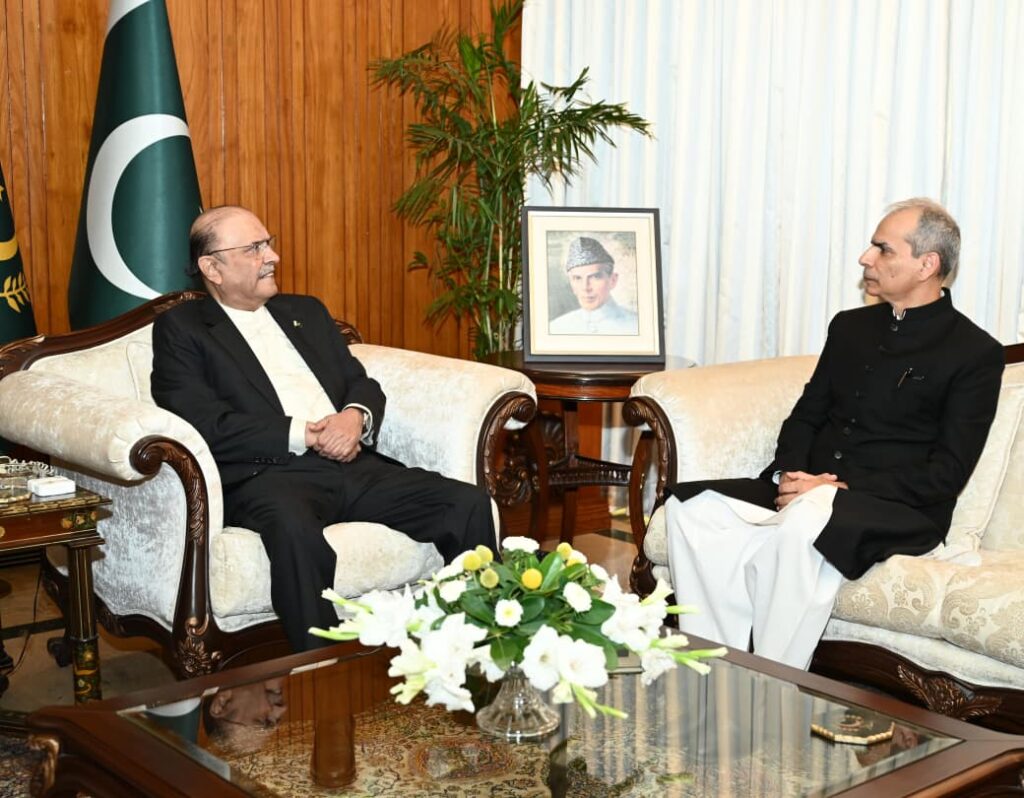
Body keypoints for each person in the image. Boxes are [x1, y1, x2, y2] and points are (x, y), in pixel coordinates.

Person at [664, 198, 1004, 669]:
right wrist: (792, 471)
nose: (866, 258)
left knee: (806, 523)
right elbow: (807, 414)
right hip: (812, 486)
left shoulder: (974, 353)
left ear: (928, 265)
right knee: (691, 508)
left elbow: (946, 474)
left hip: (896, 506)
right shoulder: (850, 327)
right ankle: (719, 665)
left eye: (883, 250)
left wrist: (833, 487)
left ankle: (774, 678)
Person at [151, 206, 496, 652]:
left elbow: (360, 381)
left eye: (268, 242)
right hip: (268, 476)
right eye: (254, 249)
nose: (272, 255)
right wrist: (307, 434)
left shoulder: (305, 312)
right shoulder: (183, 329)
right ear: (212, 267)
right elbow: (203, 421)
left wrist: (355, 417)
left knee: (467, 504)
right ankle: (320, 673)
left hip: (351, 463)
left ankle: (482, 646)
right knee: (296, 537)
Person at [548, 236, 639, 335]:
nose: (586, 287)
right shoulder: (556, 328)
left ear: (613, 280)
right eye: (578, 278)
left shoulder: (635, 326)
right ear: (572, 284)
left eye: (595, 277)